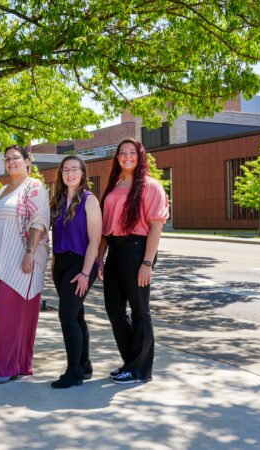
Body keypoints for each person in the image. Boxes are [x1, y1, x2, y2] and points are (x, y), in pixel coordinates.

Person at [97, 138, 169, 384]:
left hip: (137, 250)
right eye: (122, 153)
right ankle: (130, 363)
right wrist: (99, 259)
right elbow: (105, 231)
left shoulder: (150, 186)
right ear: (116, 157)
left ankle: (140, 370)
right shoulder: (113, 186)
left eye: (132, 152)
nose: (127, 156)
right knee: (114, 310)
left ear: (140, 156)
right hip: (115, 251)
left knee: (140, 311)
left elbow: (156, 226)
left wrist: (147, 263)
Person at [0, 144, 50, 384]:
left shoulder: (34, 187)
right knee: (6, 317)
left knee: (13, 316)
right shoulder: (2, 190)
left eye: (16, 158)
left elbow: (39, 220)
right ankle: (20, 364)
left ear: (27, 161)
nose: (11, 162)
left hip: (20, 259)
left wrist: (30, 253)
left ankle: (7, 368)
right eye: (7, 159)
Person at [49, 156, 102, 388]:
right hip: (60, 264)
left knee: (67, 316)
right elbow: (55, 236)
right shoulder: (58, 201)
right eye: (65, 170)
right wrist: (53, 264)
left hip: (81, 265)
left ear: (83, 173)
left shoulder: (90, 201)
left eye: (74, 169)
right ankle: (85, 364)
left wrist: (85, 273)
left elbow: (95, 240)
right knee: (77, 315)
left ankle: (74, 372)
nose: (69, 174)